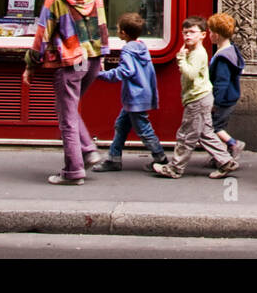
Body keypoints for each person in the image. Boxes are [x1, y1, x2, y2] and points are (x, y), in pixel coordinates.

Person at [23, 0, 109, 185]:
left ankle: (74, 171)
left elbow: (42, 33)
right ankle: (88, 150)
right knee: (70, 109)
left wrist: (31, 64)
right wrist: (101, 56)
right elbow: (101, 24)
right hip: (90, 60)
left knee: (67, 117)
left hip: (71, 62)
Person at [152, 16, 239, 180]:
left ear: (203, 35)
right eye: (185, 32)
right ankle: (226, 161)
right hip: (200, 98)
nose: (187, 36)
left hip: (197, 99)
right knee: (206, 133)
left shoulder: (197, 54)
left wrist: (181, 59)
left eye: (192, 32)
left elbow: (191, 74)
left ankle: (175, 168)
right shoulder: (195, 52)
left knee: (186, 135)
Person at [92, 12, 168, 172]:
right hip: (140, 95)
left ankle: (161, 158)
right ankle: (114, 158)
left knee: (143, 129)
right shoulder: (141, 46)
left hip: (135, 97)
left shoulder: (127, 50)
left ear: (124, 33)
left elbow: (126, 71)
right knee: (121, 125)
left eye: (118, 29)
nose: (117, 31)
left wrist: (101, 75)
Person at [207, 12, 246, 164]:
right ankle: (219, 154)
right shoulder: (230, 50)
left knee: (214, 127)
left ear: (216, 35)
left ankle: (233, 144)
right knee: (218, 125)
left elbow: (221, 83)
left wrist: (215, 102)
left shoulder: (223, 57)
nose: (209, 35)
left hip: (224, 99)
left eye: (210, 32)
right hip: (230, 97)